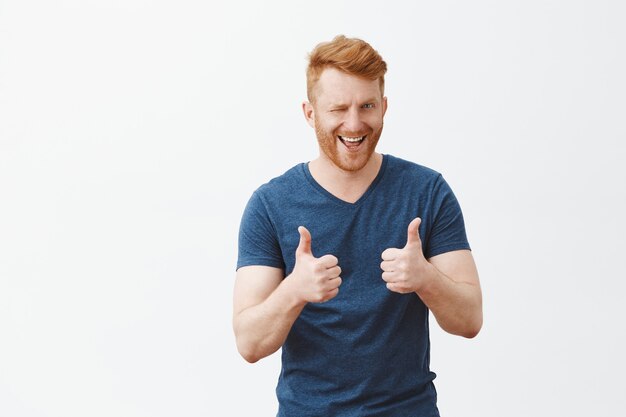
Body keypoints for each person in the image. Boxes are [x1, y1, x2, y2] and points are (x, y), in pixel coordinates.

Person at [233, 34, 483, 417]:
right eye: (338, 108)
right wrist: (294, 291)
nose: (355, 123)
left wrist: (425, 278)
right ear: (310, 112)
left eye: (367, 106)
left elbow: (470, 320)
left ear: (384, 107)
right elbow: (249, 343)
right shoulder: (271, 205)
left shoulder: (428, 191)